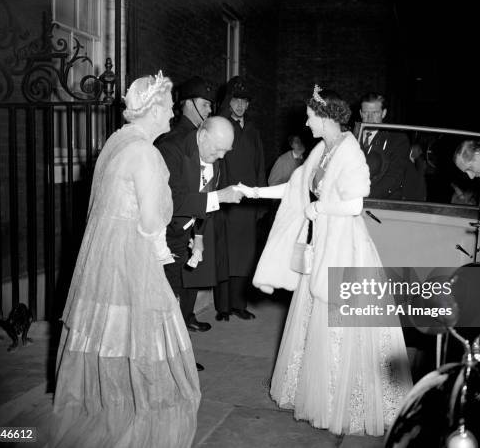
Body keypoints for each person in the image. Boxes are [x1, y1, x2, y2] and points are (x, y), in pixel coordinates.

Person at [238, 85, 412, 436]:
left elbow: (355, 205)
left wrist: (319, 207)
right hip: (323, 246)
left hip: (346, 249)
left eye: (311, 115)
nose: (306, 120)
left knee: (341, 330)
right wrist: (252, 191)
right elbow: (295, 188)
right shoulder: (322, 150)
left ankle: (341, 402)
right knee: (314, 323)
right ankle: (320, 393)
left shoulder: (350, 153)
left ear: (327, 118)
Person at [49, 72, 200, 448]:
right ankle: (135, 413)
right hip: (131, 252)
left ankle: (104, 403)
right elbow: (150, 222)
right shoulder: (146, 153)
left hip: (102, 254)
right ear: (151, 110)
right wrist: (161, 260)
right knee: (144, 332)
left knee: (109, 331)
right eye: (167, 107)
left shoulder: (115, 144)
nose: (171, 115)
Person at [158, 117, 244, 344]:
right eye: (218, 150)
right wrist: (221, 196)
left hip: (183, 235)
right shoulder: (171, 150)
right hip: (160, 234)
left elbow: (205, 202)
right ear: (203, 136)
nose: (222, 157)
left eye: (226, 151)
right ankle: (170, 357)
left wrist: (198, 237)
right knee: (164, 302)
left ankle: (177, 354)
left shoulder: (211, 154)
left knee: (177, 297)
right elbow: (172, 201)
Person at [155, 76, 215, 335]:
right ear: (187, 105)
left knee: (187, 282)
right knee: (169, 296)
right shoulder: (172, 142)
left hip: (192, 223)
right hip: (172, 231)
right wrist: (217, 198)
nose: (209, 110)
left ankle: (183, 334)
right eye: (204, 105)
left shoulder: (200, 137)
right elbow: (172, 197)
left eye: (210, 106)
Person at [215, 76, 266, 321]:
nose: (240, 106)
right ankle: (223, 307)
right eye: (236, 100)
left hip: (248, 204)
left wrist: (260, 200)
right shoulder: (221, 127)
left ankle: (239, 304)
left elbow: (260, 166)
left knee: (245, 256)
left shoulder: (254, 130)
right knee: (225, 255)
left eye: (244, 101)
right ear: (229, 101)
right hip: (227, 201)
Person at [354, 92, 412, 199]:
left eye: (375, 113)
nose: (370, 118)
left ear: (384, 113)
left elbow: (394, 177)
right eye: (366, 113)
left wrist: (364, 197)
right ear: (361, 113)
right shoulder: (352, 137)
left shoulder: (397, 139)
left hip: (382, 202)